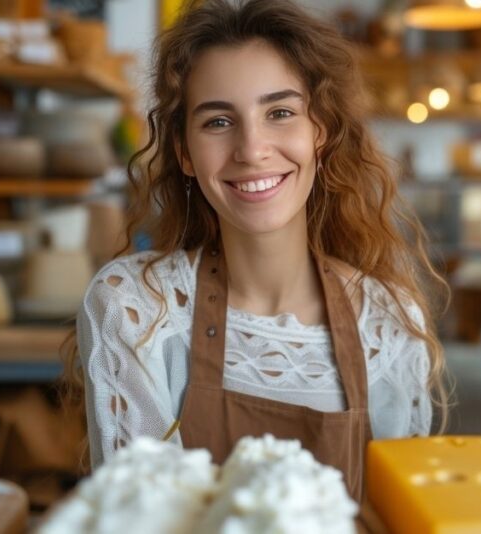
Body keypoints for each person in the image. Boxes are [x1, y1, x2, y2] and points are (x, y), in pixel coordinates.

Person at [61, 0, 449, 501]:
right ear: (183, 153)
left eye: (281, 113)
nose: (252, 148)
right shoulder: (137, 311)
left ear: (320, 134)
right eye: (218, 122)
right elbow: (136, 516)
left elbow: (398, 514)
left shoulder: (389, 322)